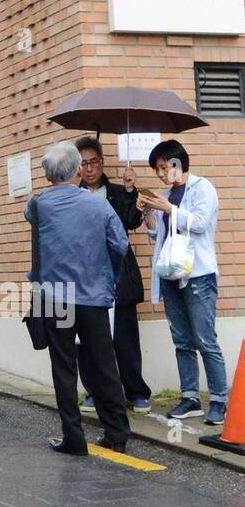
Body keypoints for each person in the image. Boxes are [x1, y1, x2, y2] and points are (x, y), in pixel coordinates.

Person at [26, 141, 131, 455]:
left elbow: (33, 219)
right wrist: (109, 276)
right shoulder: (98, 204)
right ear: (77, 170)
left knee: (64, 367)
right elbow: (121, 245)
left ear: (47, 176)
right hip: (93, 297)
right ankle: (117, 434)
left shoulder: (38, 205)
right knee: (104, 366)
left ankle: (74, 437)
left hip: (56, 299)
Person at [140, 140, 227, 427]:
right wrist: (150, 212)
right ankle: (190, 398)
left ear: (177, 163)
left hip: (198, 274)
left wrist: (169, 208)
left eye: (164, 167)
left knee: (205, 340)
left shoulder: (202, 188)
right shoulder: (167, 194)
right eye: (158, 170)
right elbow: (158, 235)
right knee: (182, 341)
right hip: (170, 274)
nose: (162, 174)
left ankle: (218, 401)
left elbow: (201, 224)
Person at [74, 137, 151, 415]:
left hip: (119, 276)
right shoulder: (74, 196)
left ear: (102, 163)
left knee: (125, 338)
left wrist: (131, 191)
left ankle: (137, 391)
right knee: (89, 339)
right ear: (77, 167)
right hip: (87, 278)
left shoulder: (117, 192)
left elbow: (131, 221)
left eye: (94, 161)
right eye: (83, 163)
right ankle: (95, 392)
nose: (90, 168)